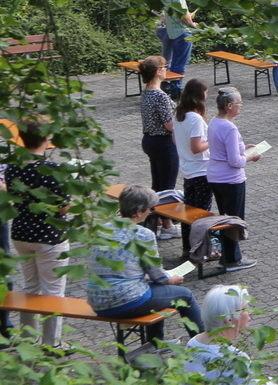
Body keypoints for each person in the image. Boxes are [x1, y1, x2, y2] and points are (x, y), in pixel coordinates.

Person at [86, 185, 203, 341]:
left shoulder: (101, 230)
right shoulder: (143, 234)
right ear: (139, 212)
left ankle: (156, 343)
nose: (151, 212)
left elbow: (120, 269)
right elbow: (158, 275)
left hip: (98, 301)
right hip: (124, 302)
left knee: (155, 290)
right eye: (151, 209)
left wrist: (148, 277)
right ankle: (203, 345)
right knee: (185, 295)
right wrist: (171, 280)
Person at [5, 120, 72, 348]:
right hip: (49, 235)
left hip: (21, 232)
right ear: (46, 138)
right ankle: (52, 344)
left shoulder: (13, 167)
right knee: (53, 291)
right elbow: (63, 207)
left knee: (30, 286)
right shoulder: (52, 170)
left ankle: (26, 338)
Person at [205, 86, 259, 270]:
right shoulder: (230, 128)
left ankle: (227, 257)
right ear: (229, 106)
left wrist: (243, 148)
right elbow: (235, 161)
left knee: (224, 216)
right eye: (239, 103)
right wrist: (250, 157)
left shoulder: (214, 121)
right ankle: (233, 259)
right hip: (230, 179)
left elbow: (222, 148)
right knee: (233, 220)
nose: (241, 106)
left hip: (215, 176)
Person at [137, 57, 181, 239]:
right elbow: (169, 125)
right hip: (163, 143)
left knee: (157, 184)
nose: (166, 69)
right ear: (157, 71)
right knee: (167, 187)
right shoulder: (160, 95)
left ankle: (158, 221)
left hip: (149, 140)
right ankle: (168, 225)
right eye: (164, 67)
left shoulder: (146, 92)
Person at [174, 77, 216, 219]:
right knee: (201, 213)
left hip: (187, 169)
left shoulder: (178, 114)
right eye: (206, 92)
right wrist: (212, 140)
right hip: (201, 170)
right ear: (201, 94)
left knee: (189, 211)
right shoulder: (195, 118)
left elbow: (175, 139)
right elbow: (196, 147)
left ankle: (187, 235)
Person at [159, 0, 197, 90]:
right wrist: (191, 24)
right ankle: (176, 90)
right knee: (180, 63)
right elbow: (183, 14)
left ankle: (170, 87)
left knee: (175, 62)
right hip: (182, 32)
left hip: (173, 31)